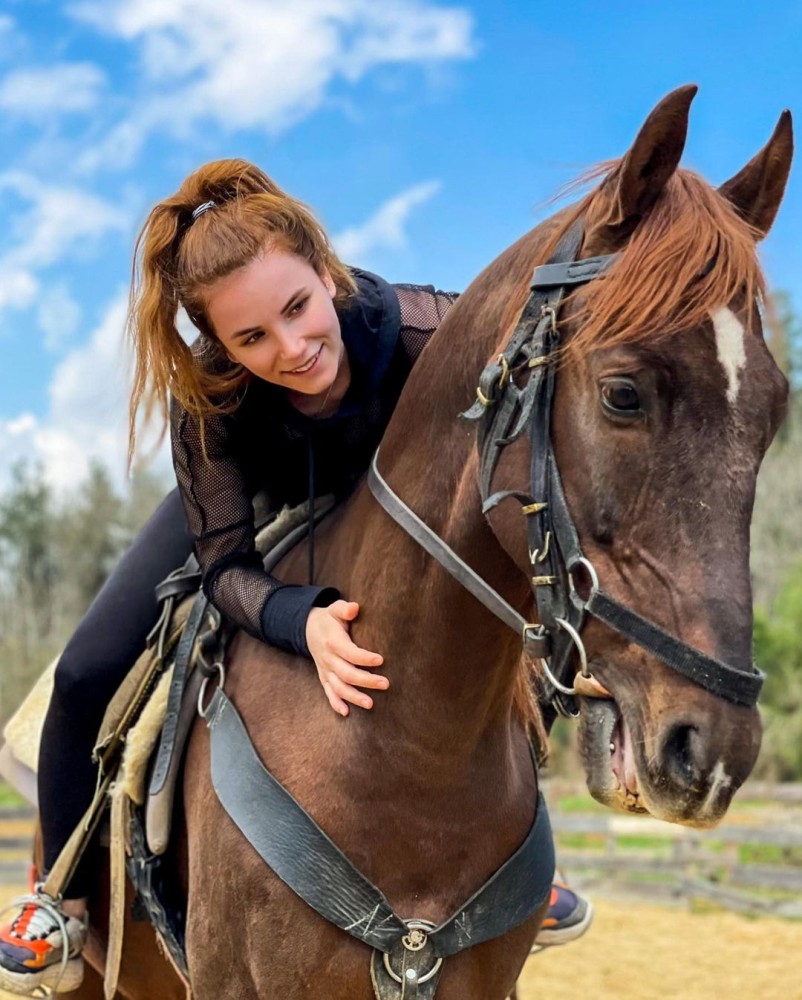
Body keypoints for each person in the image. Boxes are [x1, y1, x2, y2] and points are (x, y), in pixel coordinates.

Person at [0, 159, 591, 995]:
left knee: (498, 627)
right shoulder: (209, 396)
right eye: (251, 340)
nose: (291, 349)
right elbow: (225, 566)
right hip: (248, 508)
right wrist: (299, 618)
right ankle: (58, 900)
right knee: (87, 667)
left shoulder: (431, 333)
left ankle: (512, 856)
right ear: (220, 344)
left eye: (297, 309)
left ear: (326, 271)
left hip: (396, 508)